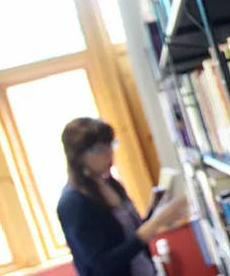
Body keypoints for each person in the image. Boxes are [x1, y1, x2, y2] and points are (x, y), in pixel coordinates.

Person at [57, 117, 188, 276]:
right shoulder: (73, 202)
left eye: (111, 145)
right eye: (100, 149)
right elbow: (102, 265)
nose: (110, 154)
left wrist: (154, 213)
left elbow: (128, 239)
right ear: (78, 156)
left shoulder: (111, 184)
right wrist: (154, 224)